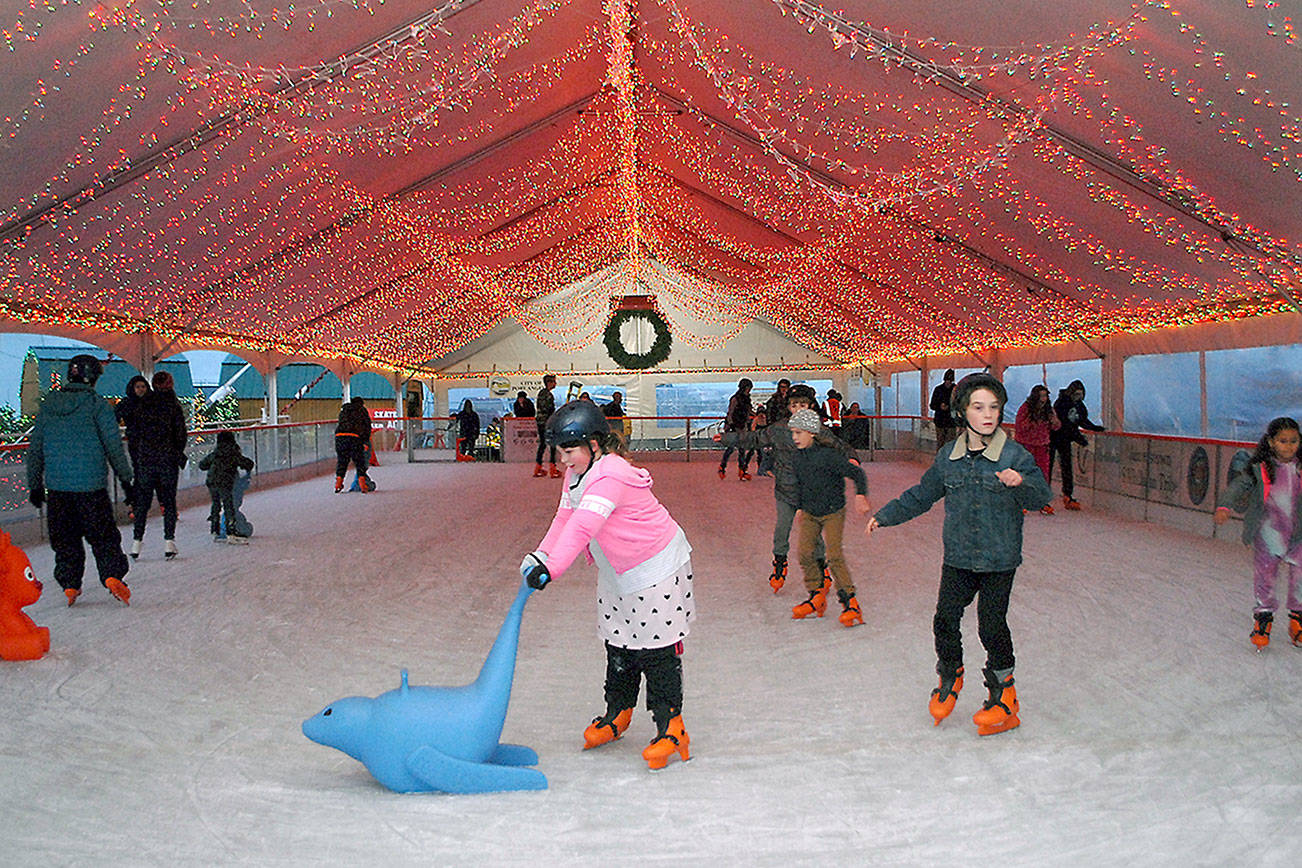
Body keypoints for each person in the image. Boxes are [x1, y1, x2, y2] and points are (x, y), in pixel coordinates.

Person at [866, 372, 1051, 736]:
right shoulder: (948, 457)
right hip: (959, 556)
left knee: (991, 625)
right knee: (944, 619)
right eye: (978, 407)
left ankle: (1004, 696)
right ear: (962, 411)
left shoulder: (1014, 455)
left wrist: (1022, 482)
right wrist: (885, 516)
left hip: (999, 557)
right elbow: (922, 495)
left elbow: (1041, 497)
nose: (987, 414)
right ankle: (950, 675)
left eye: (994, 407)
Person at [519, 400, 695, 771]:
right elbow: (565, 516)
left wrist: (553, 569)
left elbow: (583, 527)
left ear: (594, 444)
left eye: (568, 451)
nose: (563, 459)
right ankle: (619, 712)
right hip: (617, 568)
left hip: (654, 565)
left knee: (655, 648)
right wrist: (541, 555)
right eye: (559, 452)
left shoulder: (611, 474)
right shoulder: (579, 472)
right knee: (619, 640)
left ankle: (672, 726)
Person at [721, 384, 854, 592]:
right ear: (788, 407)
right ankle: (780, 564)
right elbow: (755, 438)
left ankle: (821, 568)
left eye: (803, 404)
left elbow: (837, 445)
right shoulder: (779, 428)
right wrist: (727, 438)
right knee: (782, 530)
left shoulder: (817, 429)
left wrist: (851, 457)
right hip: (785, 490)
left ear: (810, 406)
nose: (798, 408)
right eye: (794, 405)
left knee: (813, 532)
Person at [26, 354, 134, 606]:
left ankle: (70, 584)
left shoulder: (48, 406)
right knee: (104, 537)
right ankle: (111, 576)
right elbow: (113, 447)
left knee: (65, 540)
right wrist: (127, 481)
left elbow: (35, 449)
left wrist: (34, 484)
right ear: (94, 377)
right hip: (91, 488)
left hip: (58, 489)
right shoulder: (97, 405)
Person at [1214, 417, 1302, 650]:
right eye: (1283, 441)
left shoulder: (1300, 468)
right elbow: (1238, 486)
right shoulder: (1260, 468)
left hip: (1298, 534)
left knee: (1301, 577)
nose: (1289, 446)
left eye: (1294, 441)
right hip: (1267, 534)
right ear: (1271, 442)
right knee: (1266, 578)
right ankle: (1263, 619)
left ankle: (1297, 619)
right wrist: (1224, 506)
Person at [787, 408, 870, 626]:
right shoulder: (796, 458)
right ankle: (816, 596)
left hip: (833, 511)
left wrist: (860, 496)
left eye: (799, 433)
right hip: (810, 512)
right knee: (804, 553)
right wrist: (798, 507)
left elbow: (857, 473)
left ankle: (850, 602)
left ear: (811, 432)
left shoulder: (829, 456)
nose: (794, 437)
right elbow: (799, 485)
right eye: (793, 433)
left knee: (834, 556)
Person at [129, 370, 188, 560]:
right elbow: (181, 435)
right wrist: (175, 451)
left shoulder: (144, 404)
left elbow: (135, 431)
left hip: (146, 460)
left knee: (142, 503)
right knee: (169, 501)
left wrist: (140, 454)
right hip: (167, 461)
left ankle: (136, 542)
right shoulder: (173, 406)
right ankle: (169, 541)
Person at [1050, 379, 1105, 510]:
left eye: (1080, 394)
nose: (1078, 397)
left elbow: (1082, 420)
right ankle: (1043, 494)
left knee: (1067, 467)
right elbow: (1065, 425)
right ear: (1070, 392)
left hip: (1066, 440)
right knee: (1048, 466)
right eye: (1076, 394)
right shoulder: (1061, 403)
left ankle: (1068, 495)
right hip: (1054, 438)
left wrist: (1095, 428)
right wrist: (1079, 438)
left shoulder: (1080, 405)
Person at [199, 430, 255, 544]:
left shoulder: (215, 453)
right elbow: (247, 463)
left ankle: (215, 529)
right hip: (225, 482)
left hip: (212, 481)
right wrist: (248, 466)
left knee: (216, 504)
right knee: (228, 506)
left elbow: (202, 465)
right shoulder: (233, 453)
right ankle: (231, 532)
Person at [1013, 385, 1061, 516]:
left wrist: (1054, 421)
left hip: (1042, 445)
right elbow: (1020, 426)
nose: (1043, 399)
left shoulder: (1048, 410)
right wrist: (1034, 421)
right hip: (1026, 444)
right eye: (1041, 396)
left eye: (1045, 396)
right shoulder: (1026, 408)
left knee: (1043, 474)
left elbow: (1057, 426)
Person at [717, 378, 755, 481]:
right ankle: (722, 467)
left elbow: (749, 411)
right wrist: (730, 424)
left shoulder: (747, 399)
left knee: (742, 449)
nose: (749, 390)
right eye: (748, 388)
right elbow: (730, 412)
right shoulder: (735, 399)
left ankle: (741, 470)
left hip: (743, 426)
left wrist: (756, 415)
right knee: (731, 448)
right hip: (734, 426)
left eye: (750, 388)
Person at [334, 396, 373, 493]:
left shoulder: (344, 410)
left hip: (340, 437)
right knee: (359, 461)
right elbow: (367, 427)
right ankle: (363, 486)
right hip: (354, 437)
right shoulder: (361, 410)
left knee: (342, 461)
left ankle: (338, 484)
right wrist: (365, 441)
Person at [115, 374, 150, 481]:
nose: (141, 390)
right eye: (138, 387)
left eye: (143, 387)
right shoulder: (126, 403)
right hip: (135, 440)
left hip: (149, 440)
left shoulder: (151, 402)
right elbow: (115, 417)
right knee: (138, 466)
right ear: (133, 388)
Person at [534, 374, 560, 478]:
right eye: (553, 381)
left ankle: (538, 466)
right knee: (552, 444)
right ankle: (552, 468)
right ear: (549, 382)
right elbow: (549, 409)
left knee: (543, 444)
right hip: (548, 422)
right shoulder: (548, 395)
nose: (555, 384)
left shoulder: (541, 393)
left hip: (540, 422)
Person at [930, 369, 957, 452]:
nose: (948, 382)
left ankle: (948, 461)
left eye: (950, 381)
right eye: (947, 380)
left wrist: (950, 407)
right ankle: (940, 460)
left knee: (950, 444)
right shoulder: (938, 390)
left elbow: (959, 404)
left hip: (951, 422)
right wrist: (940, 407)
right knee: (940, 443)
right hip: (940, 422)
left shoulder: (955, 390)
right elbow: (932, 405)